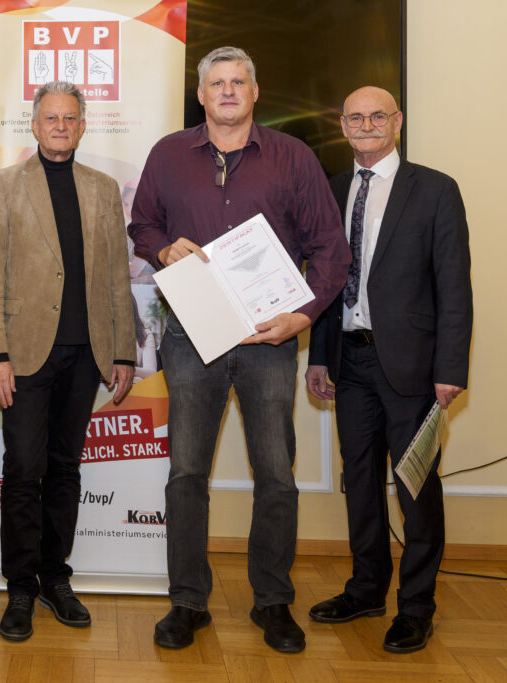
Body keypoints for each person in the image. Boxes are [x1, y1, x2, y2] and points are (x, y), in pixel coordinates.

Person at [128, 47, 350, 654]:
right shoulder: (169, 154)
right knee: (186, 473)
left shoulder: (293, 158)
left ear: (255, 92)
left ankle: (273, 601)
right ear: (200, 95)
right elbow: (142, 224)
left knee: (276, 476)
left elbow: (331, 249)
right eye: (216, 83)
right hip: (189, 336)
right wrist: (161, 248)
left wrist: (301, 315)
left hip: (268, 342)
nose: (227, 91)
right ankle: (186, 603)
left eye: (238, 82)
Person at [305, 86, 471, 654]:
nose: (367, 124)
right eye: (356, 117)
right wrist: (320, 356)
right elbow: (326, 286)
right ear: (343, 124)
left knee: (416, 487)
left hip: (415, 368)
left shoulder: (435, 190)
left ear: (397, 122)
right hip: (349, 362)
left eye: (378, 115)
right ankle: (367, 588)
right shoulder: (331, 190)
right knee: (360, 486)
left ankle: (417, 607)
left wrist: (450, 368)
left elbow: (454, 288)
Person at [0, 81, 136, 642]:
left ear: (83, 124)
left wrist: (122, 350)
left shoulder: (103, 188)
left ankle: (54, 578)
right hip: (22, 353)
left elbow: (118, 274)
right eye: (51, 118)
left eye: (71, 117)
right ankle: (19, 587)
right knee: (23, 469)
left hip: (85, 354)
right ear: (35, 125)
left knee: (66, 468)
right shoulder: (3, 185)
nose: (61, 125)